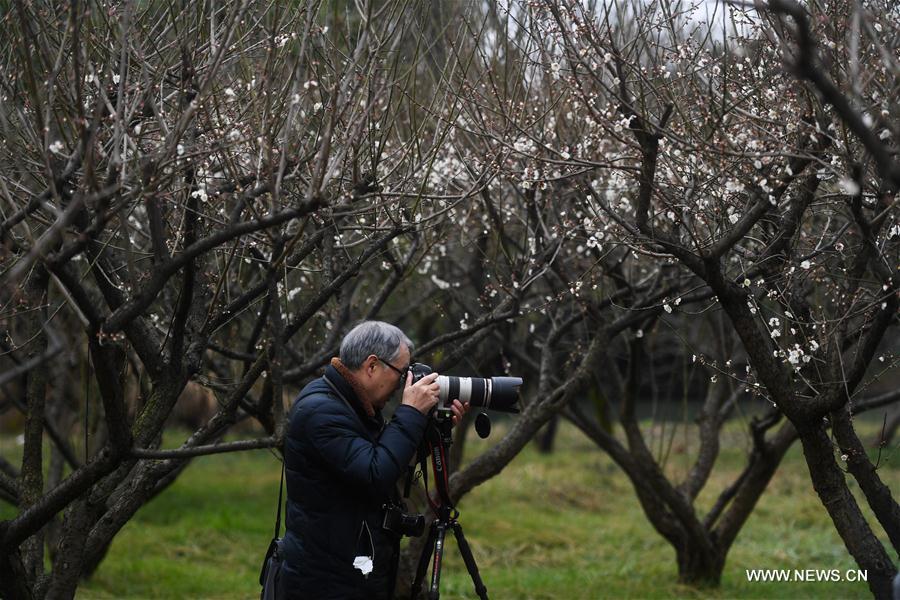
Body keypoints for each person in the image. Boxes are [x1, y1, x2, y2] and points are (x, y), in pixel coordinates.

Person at [281, 321, 468, 599]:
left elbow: (388, 461)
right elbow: (374, 473)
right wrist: (410, 413)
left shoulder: (352, 405)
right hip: (326, 584)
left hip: (351, 573)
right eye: (402, 372)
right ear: (371, 366)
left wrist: (430, 432)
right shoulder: (321, 411)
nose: (405, 382)